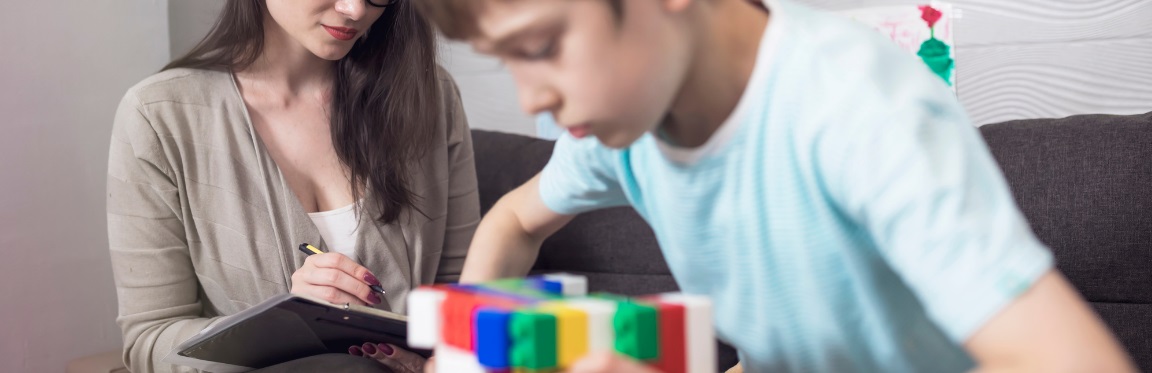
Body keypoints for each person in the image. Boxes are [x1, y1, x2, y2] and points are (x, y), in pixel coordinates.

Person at [412, 0, 1137, 372]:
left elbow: (1077, 360)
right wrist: (463, 346)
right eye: (502, 60)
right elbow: (513, 221)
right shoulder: (628, 126)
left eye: (539, 48)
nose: (529, 97)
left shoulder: (855, 112)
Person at [106, 0, 479, 371]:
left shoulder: (430, 96)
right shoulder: (159, 116)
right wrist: (281, 326)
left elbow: (468, 291)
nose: (354, 10)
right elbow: (149, 340)